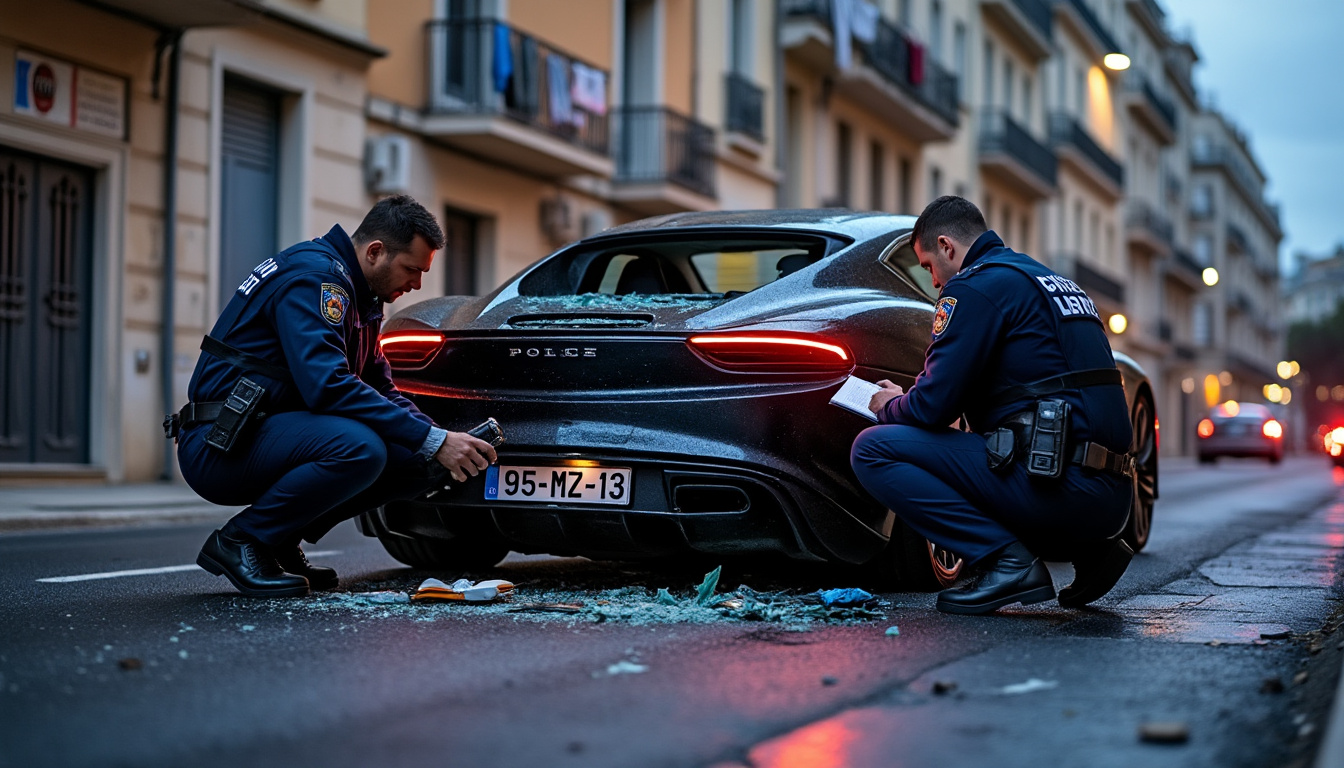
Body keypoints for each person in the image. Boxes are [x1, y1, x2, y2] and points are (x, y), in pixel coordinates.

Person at [171, 195, 498, 597]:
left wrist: (439, 439)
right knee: (360, 448)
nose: (416, 285)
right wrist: (434, 439)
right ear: (376, 252)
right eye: (412, 269)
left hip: (263, 432)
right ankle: (243, 540)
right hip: (218, 443)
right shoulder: (316, 279)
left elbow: (380, 387)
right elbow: (327, 386)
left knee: (419, 459)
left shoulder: (361, 294)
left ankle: (278, 538)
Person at [850, 196, 1135, 615]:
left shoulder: (973, 287)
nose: (933, 282)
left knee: (873, 449)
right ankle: (1093, 553)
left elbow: (931, 408)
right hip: (1112, 501)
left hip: (1062, 490)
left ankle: (1007, 563)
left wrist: (891, 403)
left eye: (929, 266)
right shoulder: (1051, 281)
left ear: (947, 246)